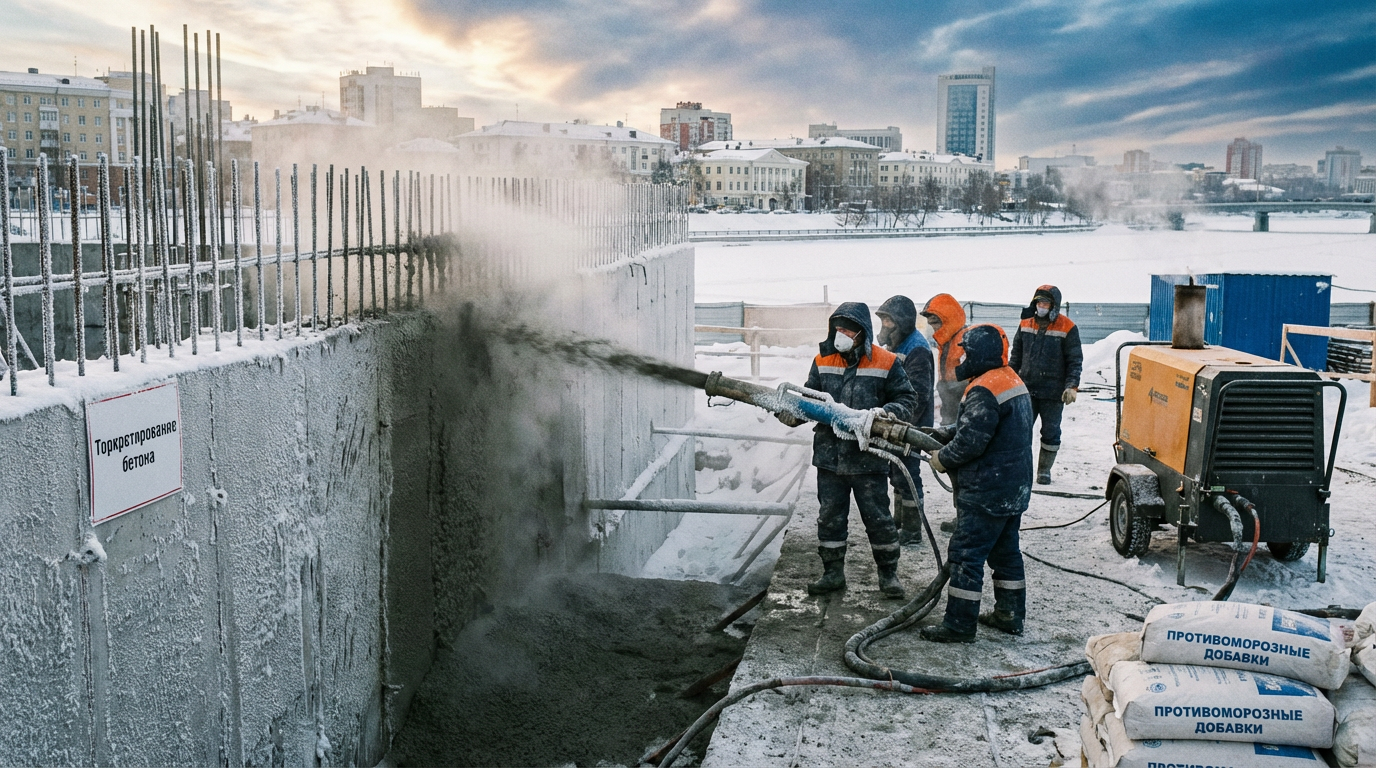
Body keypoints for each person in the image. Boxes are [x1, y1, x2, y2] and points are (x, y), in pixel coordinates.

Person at [779, 302, 918, 599]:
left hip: (868, 458)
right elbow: (810, 400)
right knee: (829, 518)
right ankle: (832, 573)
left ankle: (888, 574)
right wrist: (792, 413)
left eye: (846, 330)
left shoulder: (886, 362)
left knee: (878, 518)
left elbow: (907, 398)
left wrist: (885, 413)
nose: (840, 334)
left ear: (861, 332)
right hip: (830, 458)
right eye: (837, 328)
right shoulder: (822, 360)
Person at [919, 323, 1034, 643]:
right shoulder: (1009, 379)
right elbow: (982, 426)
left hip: (986, 489)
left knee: (966, 555)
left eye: (966, 353)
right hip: (1013, 487)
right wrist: (944, 433)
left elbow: (971, 442)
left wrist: (943, 458)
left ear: (981, 354)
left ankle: (959, 624)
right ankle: (1009, 614)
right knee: (1006, 553)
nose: (961, 359)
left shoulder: (984, 388)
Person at [1008, 285, 1083, 485]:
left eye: (1045, 303)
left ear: (1054, 306)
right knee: (1020, 431)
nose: (1041, 307)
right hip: (1026, 390)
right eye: (1038, 303)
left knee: (1050, 432)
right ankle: (1019, 469)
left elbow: (1074, 360)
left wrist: (1071, 386)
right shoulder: (1025, 323)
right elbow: (1016, 356)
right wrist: (1009, 380)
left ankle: (1044, 470)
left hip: (1053, 392)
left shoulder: (1067, 327)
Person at [875, 295, 934, 547]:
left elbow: (918, 395)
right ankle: (900, 521)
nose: (885, 326)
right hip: (897, 422)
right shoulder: (898, 345)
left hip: (910, 424)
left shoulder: (916, 348)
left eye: (889, 320)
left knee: (908, 474)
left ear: (903, 321)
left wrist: (901, 426)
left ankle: (912, 530)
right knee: (897, 473)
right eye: (883, 320)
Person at [920, 293, 969, 428]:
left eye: (936, 323)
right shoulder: (945, 343)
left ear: (949, 319)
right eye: (931, 324)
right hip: (949, 407)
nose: (934, 328)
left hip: (964, 407)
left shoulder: (966, 341)